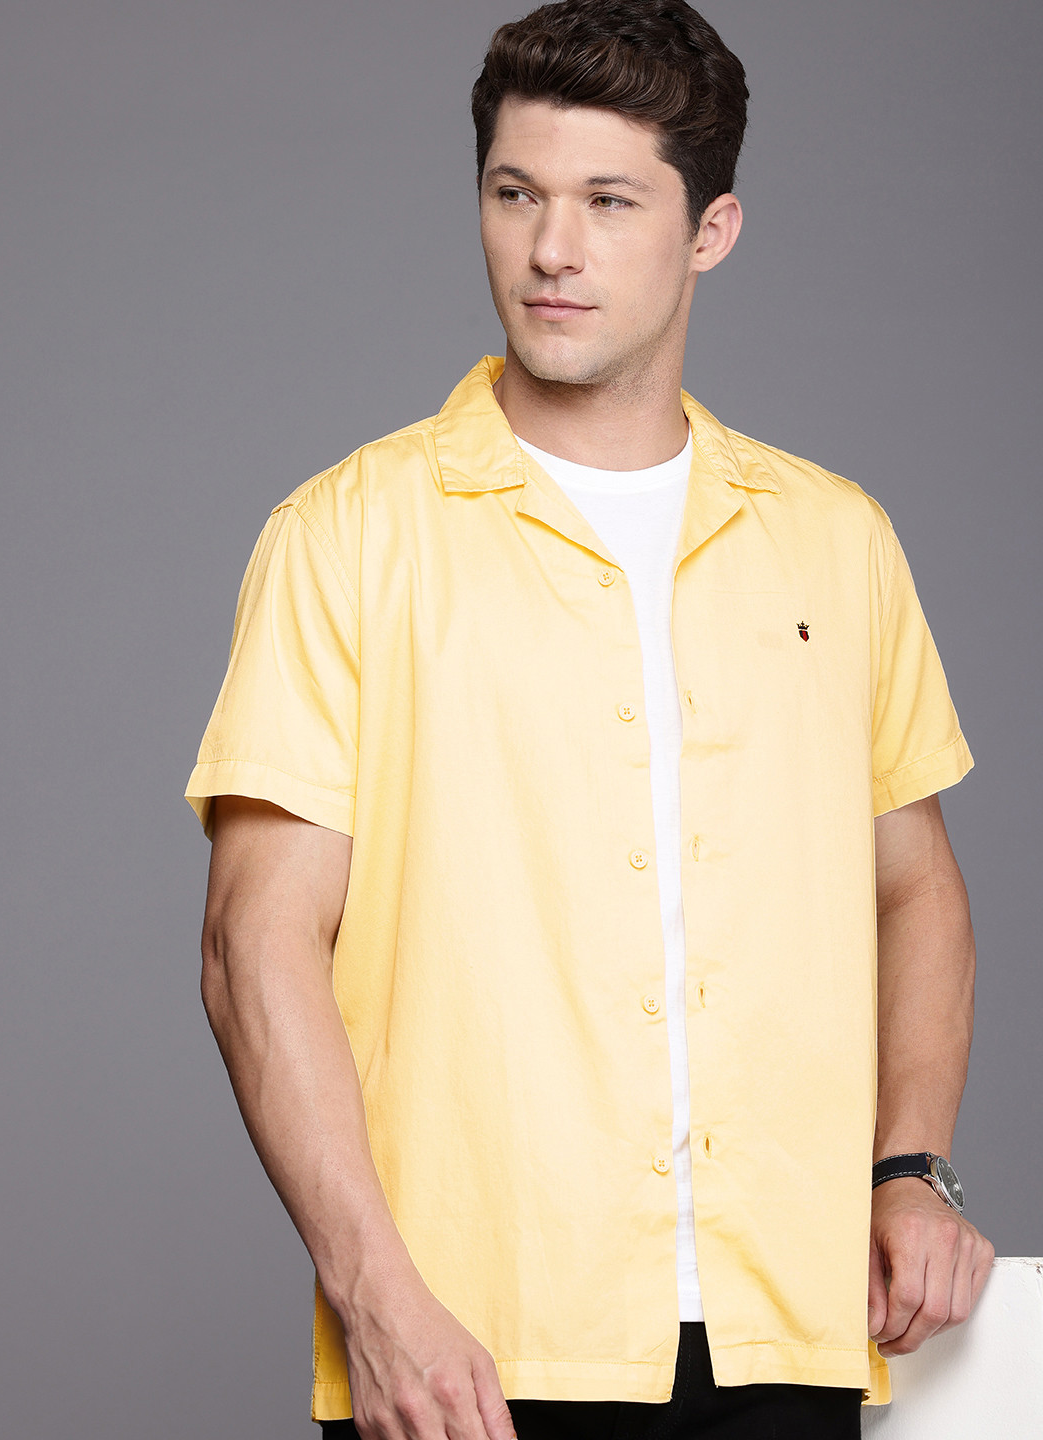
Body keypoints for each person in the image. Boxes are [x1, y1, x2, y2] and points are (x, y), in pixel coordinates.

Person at [186, 4, 995, 1437]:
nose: (551, 249)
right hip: (473, 1351)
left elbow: (915, 885)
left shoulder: (836, 540)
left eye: (609, 203)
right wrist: (378, 1298)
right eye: (517, 195)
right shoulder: (347, 536)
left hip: (785, 1332)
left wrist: (907, 1168)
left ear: (710, 230)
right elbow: (256, 943)